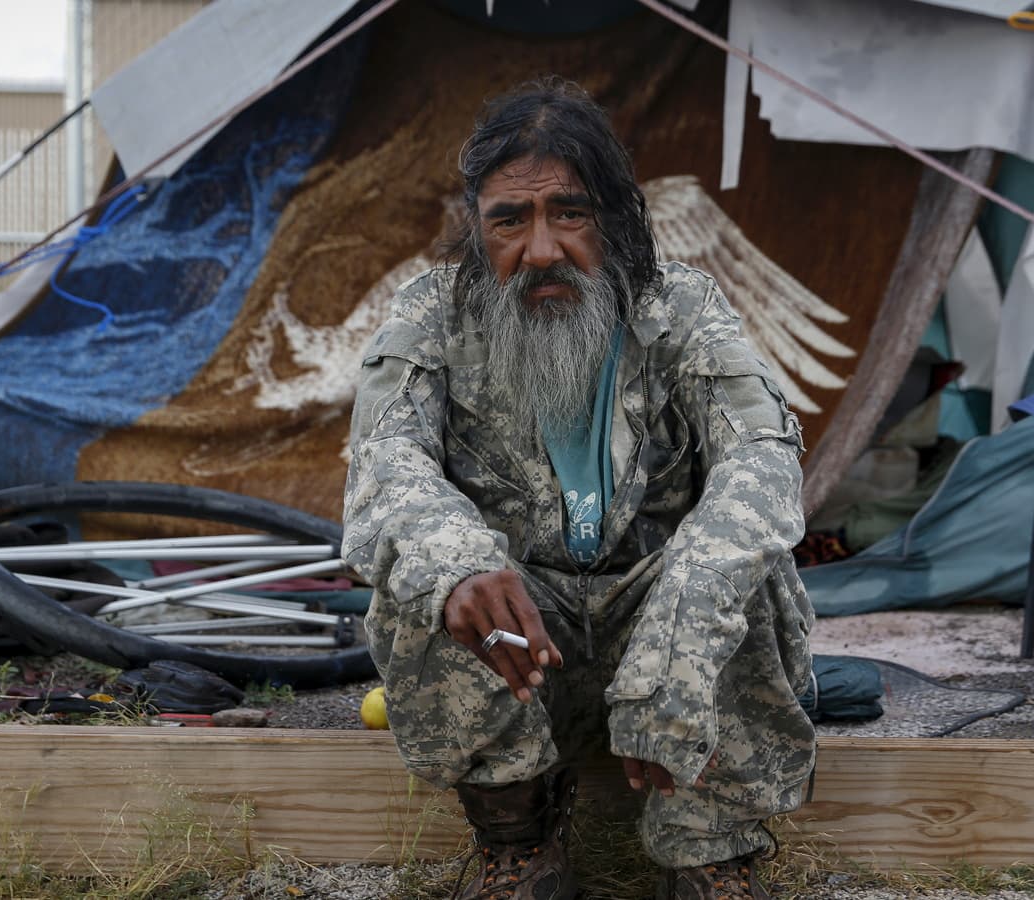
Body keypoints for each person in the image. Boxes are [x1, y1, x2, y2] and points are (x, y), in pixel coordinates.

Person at [343, 77, 815, 900]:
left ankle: (709, 848)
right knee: (421, 578)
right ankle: (518, 840)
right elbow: (385, 464)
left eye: (570, 212)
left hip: (667, 643)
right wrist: (457, 562)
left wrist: (685, 616)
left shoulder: (682, 308)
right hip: (528, 652)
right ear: (477, 229)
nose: (542, 250)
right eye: (510, 220)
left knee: (749, 571)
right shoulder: (431, 317)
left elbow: (764, 459)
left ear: (616, 217)